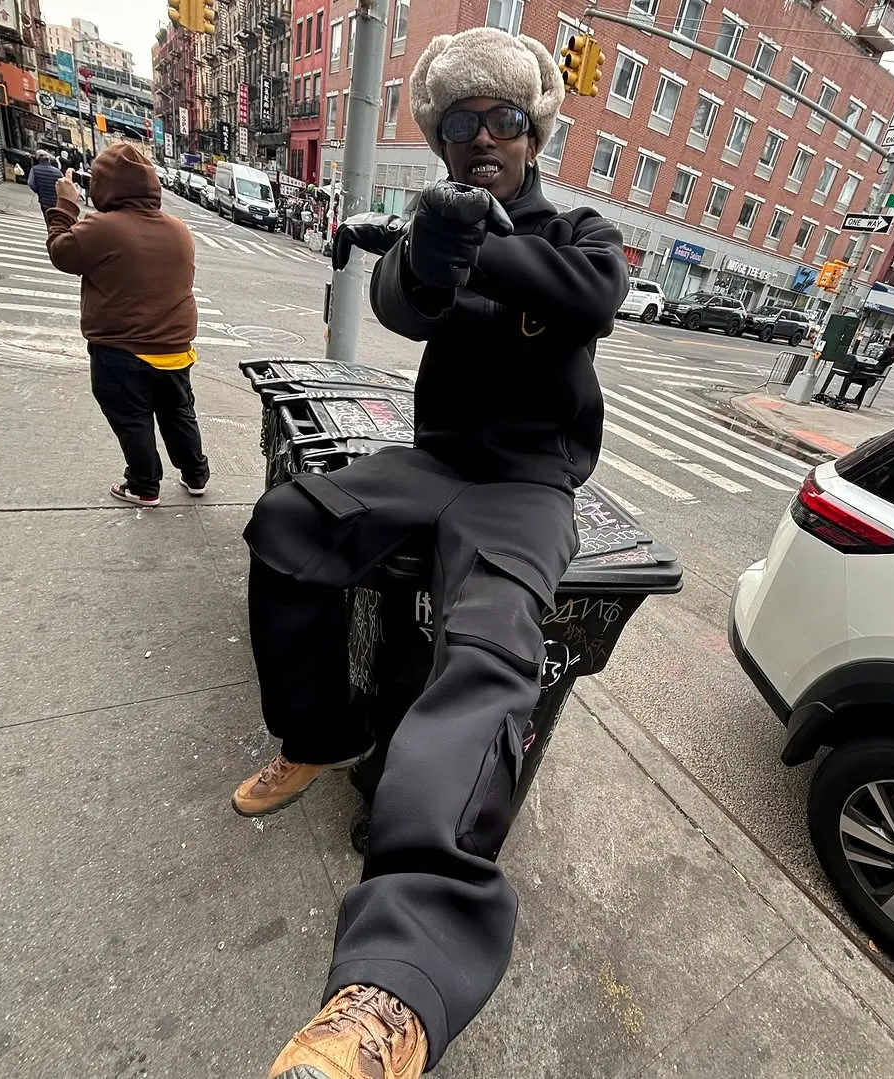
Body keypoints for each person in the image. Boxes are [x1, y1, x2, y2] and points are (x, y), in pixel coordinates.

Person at [236, 26, 629, 1079]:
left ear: (534, 130)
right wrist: (432, 244)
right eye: (461, 124)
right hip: (438, 458)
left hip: (529, 483)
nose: (484, 136)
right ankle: (319, 733)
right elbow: (400, 303)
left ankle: (395, 981)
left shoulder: (580, 228)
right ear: (442, 140)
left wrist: (486, 240)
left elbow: (594, 298)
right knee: (289, 523)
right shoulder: (439, 220)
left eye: (504, 119)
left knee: (489, 649)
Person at [44, 144, 210, 508]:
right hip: (175, 349)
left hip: (121, 349)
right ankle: (196, 474)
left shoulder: (102, 227)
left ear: (104, 186)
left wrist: (66, 205)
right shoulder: (178, 229)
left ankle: (143, 485)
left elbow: (61, 252)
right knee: (178, 413)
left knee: (133, 418)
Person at [27, 150, 62, 220]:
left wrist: (39, 191)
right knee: (56, 220)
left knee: (48, 220)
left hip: (44, 201)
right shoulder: (57, 171)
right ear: (49, 160)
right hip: (56, 201)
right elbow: (63, 185)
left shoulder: (34, 169)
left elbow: (30, 183)